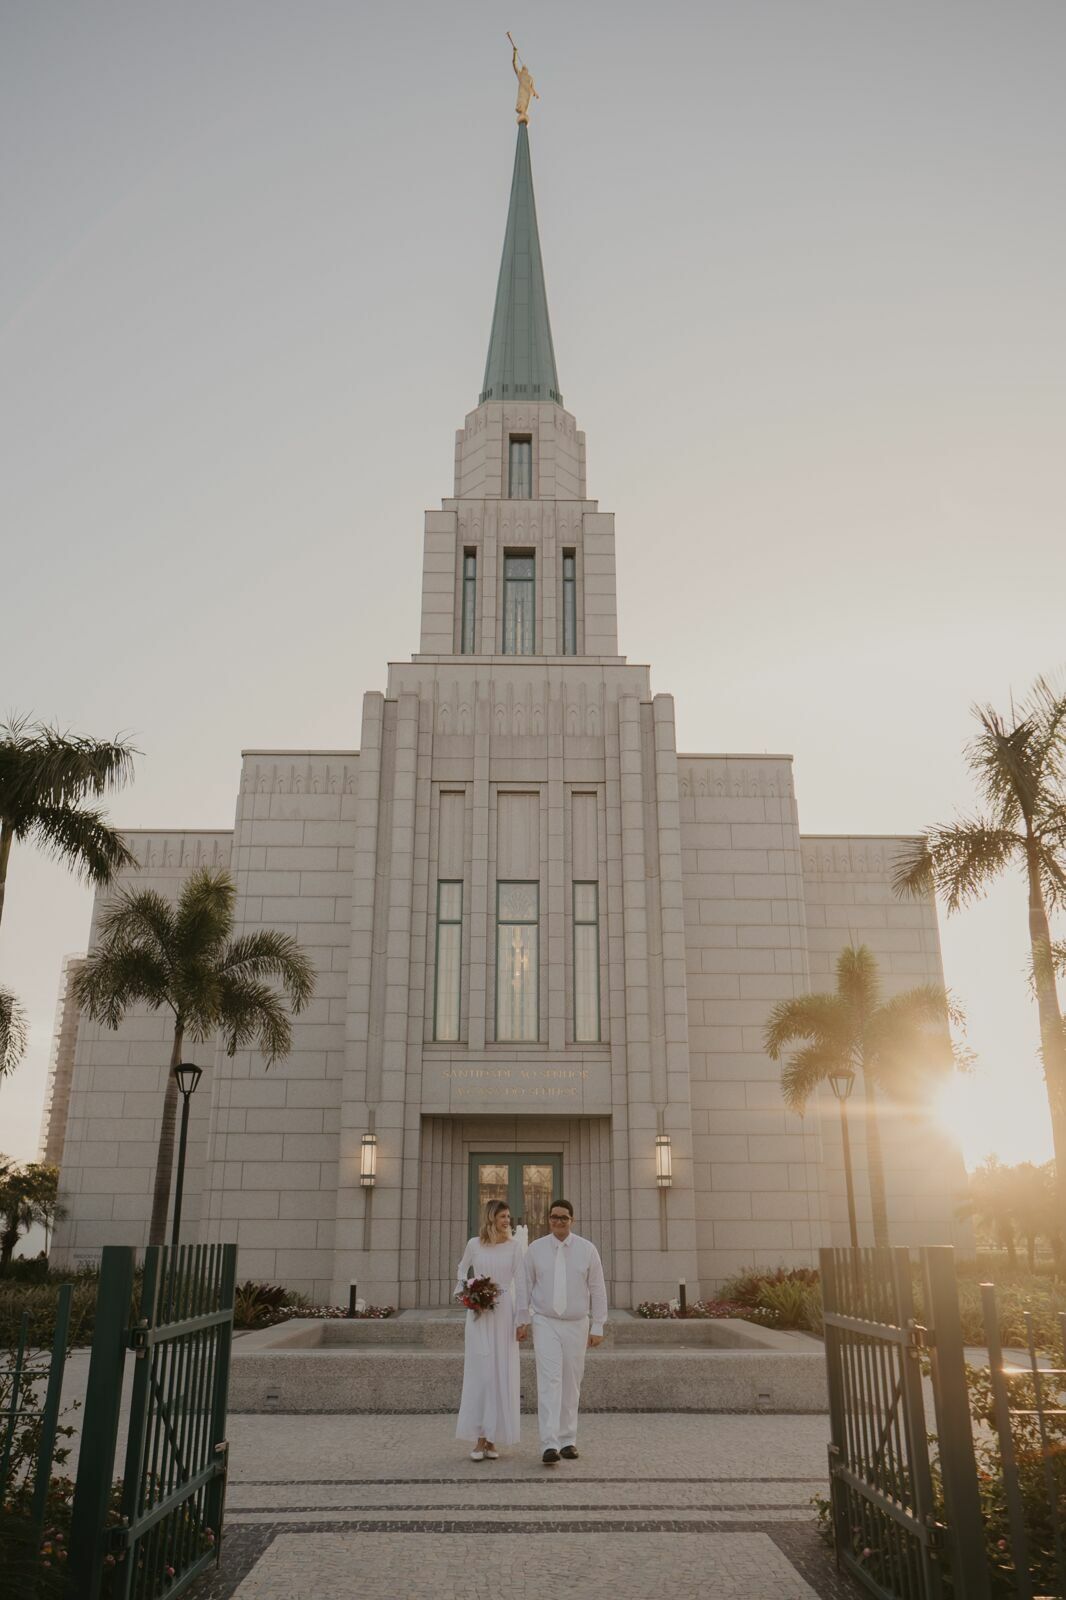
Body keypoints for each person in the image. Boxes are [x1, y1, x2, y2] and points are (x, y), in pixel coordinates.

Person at [515, 1198, 608, 1466]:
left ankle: (568, 1440)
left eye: (564, 1218)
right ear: (548, 1219)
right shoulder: (535, 1249)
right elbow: (524, 1287)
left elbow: (598, 1288)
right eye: (554, 1217)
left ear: (572, 1220)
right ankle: (549, 1444)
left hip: (577, 1323)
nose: (558, 1221)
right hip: (545, 1321)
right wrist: (523, 1319)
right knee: (549, 1380)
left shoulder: (587, 1250)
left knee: (571, 1382)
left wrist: (598, 1324)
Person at [454, 1199, 524, 1461]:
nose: (508, 1221)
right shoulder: (474, 1244)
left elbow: (523, 1282)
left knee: (500, 1372)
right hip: (480, 1314)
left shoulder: (515, 1247)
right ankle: (479, 1438)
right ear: (491, 1217)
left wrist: (522, 1319)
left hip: (505, 1311)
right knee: (481, 1373)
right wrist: (470, 1291)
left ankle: (493, 1440)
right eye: (503, 1216)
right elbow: (462, 1270)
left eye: (509, 1216)